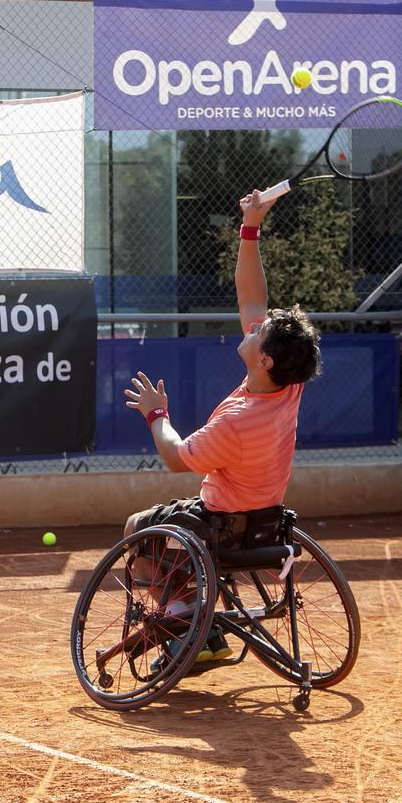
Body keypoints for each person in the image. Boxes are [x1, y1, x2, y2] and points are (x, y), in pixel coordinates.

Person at [122, 186, 322, 663]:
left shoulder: (236, 421)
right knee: (170, 528)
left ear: (266, 358)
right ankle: (201, 627)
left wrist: (157, 415)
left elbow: (174, 457)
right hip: (265, 524)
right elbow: (253, 297)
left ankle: (190, 623)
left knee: (137, 528)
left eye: (258, 332)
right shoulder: (288, 386)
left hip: (220, 527)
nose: (251, 327)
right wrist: (250, 227)